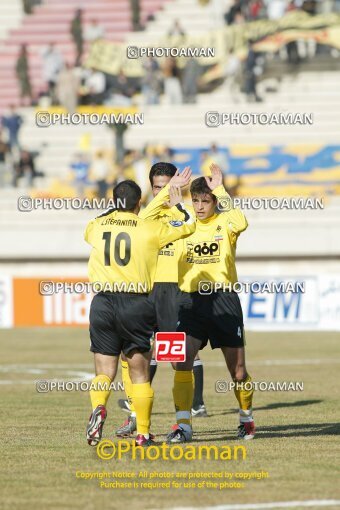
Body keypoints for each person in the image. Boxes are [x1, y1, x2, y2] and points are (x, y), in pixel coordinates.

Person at [85, 172, 196, 447]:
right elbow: (189, 224)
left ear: (115, 201)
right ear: (139, 203)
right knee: (140, 372)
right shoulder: (148, 228)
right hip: (135, 302)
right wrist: (177, 201)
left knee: (104, 370)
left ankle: (99, 406)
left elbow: (96, 225)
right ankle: (144, 434)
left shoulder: (96, 226)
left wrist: (117, 209)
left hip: (102, 302)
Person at [115, 164, 208, 438]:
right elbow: (144, 218)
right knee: (130, 354)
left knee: (178, 361)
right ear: (152, 188)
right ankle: (135, 416)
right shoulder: (146, 217)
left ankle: (184, 425)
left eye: (169, 185)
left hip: (172, 294)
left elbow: (191, 232)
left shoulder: (185, 215)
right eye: (158, 186)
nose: (164, 191)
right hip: (144, 291)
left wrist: (178, 202)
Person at [166, 163, 255, 444]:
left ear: (215, 201)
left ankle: (246, 418)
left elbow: (241, 222)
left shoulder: (226, 223)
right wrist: (174, 199)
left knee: (238, 371)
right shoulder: (184, 224)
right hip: (189, 302)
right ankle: (184, 426)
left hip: (223, 299)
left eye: (206, 201)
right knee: (182, 362)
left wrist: (220, 189)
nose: (201, 206)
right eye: (197, 201)